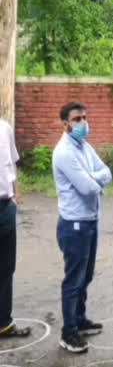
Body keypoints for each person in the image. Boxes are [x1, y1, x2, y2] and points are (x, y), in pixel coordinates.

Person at [52, 102, 112, 354]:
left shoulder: (84, 147)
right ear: (65, 123)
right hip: (74, 224)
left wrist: (92, 178)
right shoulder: (64, 152)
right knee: (74, 280)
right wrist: (94, 179)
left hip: (89, 220)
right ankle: (69, 333)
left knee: (85, 276)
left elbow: (107, 173)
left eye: (85, 118)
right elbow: (87, 188)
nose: (82, 123)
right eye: (77, 119)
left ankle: (80, 319)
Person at [0, 120, 30, 340]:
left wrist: (15, 198)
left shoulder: (5, 128)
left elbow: (12, 164)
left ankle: (4, 323)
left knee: (6, 267)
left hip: (5, 206)